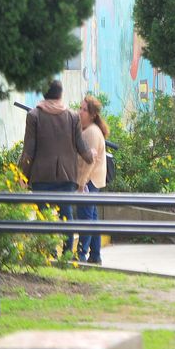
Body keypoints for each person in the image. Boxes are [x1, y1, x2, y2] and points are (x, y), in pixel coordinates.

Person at [19, 80, 94, 255]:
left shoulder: (34, 116)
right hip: (66, 176)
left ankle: (48, 251)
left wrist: (22, 175)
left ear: (44, 94)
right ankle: (67, 253)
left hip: (41, 176)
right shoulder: (73, 117)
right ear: (60, 94)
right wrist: (90, 156)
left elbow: (28, 150)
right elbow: (80, 145)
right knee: (66, 215)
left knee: (43, 216)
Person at [75, 96, 108, 264]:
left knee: (85, 218)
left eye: (84, 110)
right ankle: (95, 255)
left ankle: (82, 254)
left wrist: (81, 184)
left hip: (89, 181)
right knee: (92, 218)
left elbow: (90, 161)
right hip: (92, 180)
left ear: (93, 115)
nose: (80, 112)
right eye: (80, 108)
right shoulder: (88, 130)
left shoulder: (92, 132)